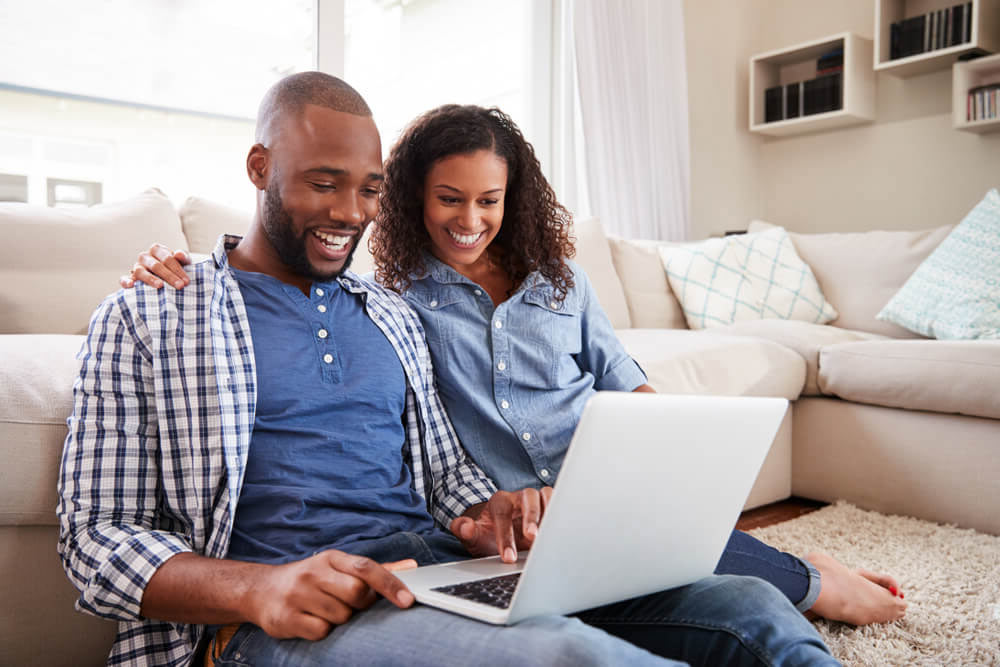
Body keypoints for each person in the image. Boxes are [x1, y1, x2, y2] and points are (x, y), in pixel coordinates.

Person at [64, 71, 840, 667]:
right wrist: (257, 587)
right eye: (323, 182)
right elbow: (93, 540)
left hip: (436, 567)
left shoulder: (390, 312)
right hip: (288, 613)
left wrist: (489, 513)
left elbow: (445, 475)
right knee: (567, 654)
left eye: (368, 189)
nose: (348, 212)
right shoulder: (150, 314)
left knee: (748, 607)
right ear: (260, 165)